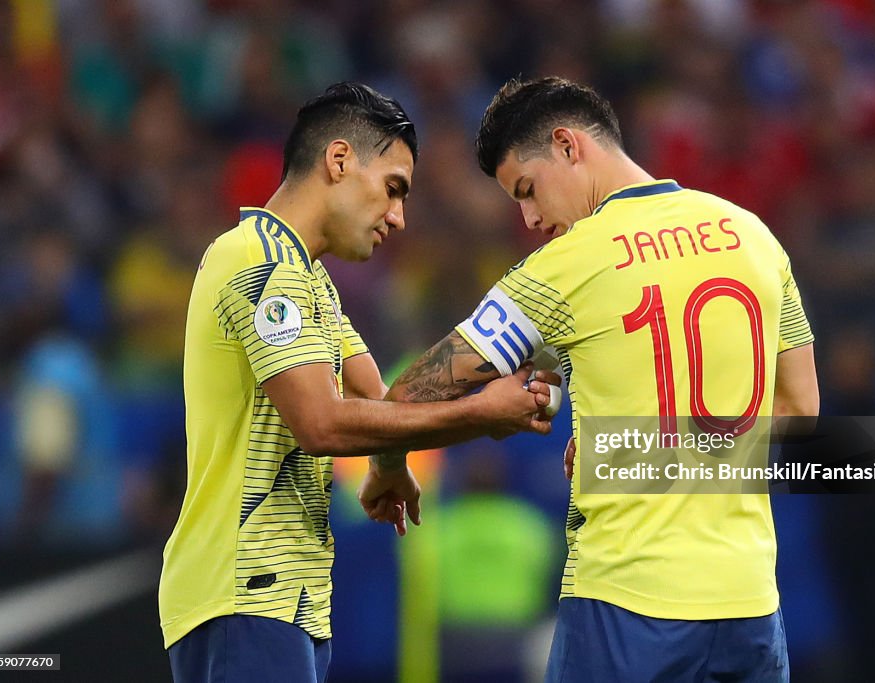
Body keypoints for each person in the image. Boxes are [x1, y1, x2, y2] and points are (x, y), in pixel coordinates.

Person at [360, 77, 819, 683]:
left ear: (568, 146)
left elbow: (412, 392)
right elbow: (800, 414)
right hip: (749, 609)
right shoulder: (753, 235)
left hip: (625, 606)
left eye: (527, 190)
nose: (529, 218)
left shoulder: (566, 266)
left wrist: (389, 468)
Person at [158, 82, 559, 683]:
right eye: (393, 189)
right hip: (243, 587)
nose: (398, 217)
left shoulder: (308, 278)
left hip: (286, 596)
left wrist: (391, 468)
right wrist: (481, 413)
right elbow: (321, 423)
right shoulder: (260, 264)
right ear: (339, 161)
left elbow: (380, 399)